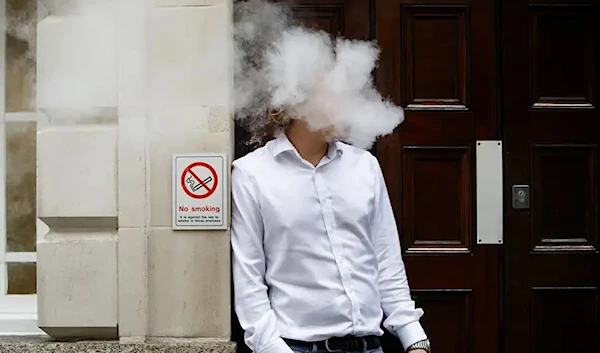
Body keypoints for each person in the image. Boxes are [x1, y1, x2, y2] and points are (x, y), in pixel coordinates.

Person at [231, 114, 431, 353]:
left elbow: (386, 260)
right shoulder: (251, 173)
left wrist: (415, 339)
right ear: (294, 99)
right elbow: (248, 281)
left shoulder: (365, 164)